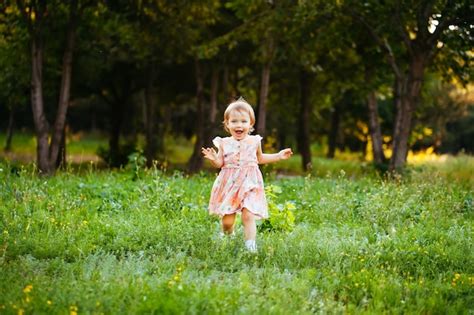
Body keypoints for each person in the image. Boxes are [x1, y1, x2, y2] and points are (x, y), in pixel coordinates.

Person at [202, 98, 293, 252]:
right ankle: (227, 235)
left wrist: (278, 155)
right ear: (227, 124)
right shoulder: (223, 143)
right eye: (234, 121)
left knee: (248, 215)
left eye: (244, 121)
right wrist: (213, 160)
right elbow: (220, 163)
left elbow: (260, 158)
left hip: (250, 182)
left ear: (251, 124)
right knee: (227, 222)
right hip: (230, 184)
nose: (239, 125)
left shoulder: (254, 141)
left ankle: (250, 246)